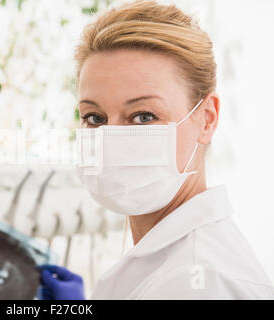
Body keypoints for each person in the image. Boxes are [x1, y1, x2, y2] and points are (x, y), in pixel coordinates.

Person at [39, 0, 274, 299]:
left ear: (207, 118)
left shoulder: (199, 283)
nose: (111, 140)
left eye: (143, 116)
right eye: (94, 118)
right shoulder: (171, 262)